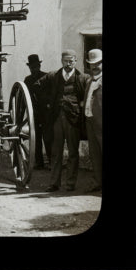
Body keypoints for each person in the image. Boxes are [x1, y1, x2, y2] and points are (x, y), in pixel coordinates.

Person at [46, 49, 89, 192]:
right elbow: (38, 86)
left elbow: (88, 95)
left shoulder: (82, 78)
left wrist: (82, 104)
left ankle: (70, 184)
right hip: (57, 118)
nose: (68, 64)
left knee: (73, 152)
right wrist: (48, 103)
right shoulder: (53, 76)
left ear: (76, 61)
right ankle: (54, 183)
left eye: (71, 61)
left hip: (73, 120)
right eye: (66, 61)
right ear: (61, 61)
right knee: (56, 152)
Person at [24, 54, 52, 170]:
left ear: (39, 66)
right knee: (35, 138)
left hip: (46, 112)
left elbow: (52, 94)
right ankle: (39, 162)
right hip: (33, 113)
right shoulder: (27, 80)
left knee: (48, 137)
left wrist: (49, 106)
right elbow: (25, 96)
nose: (34, 69)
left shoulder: (47, 77)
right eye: (32, 67)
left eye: (35, 66)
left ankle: (51, 161)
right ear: (29, 67)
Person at [83, 48, 103, 192]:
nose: (95, 66)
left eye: (98, 63)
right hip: (90, 122)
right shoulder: (89, 81)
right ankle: (97, 181)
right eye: (92, 64)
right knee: (94, 154)